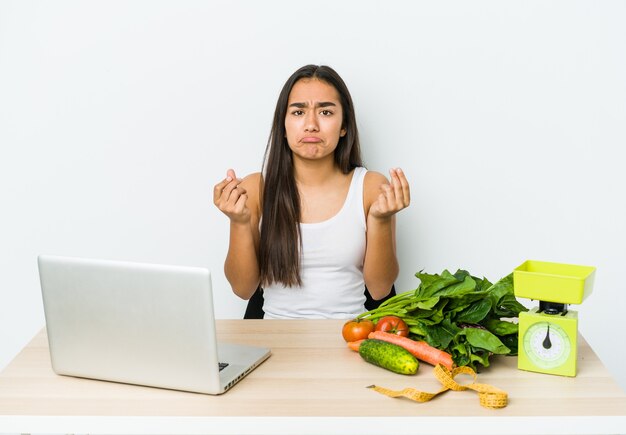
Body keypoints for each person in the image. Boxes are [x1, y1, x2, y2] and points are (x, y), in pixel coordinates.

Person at [213, 64, 410, 319]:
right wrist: (238, 222)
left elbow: (380, 288)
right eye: (298, 112)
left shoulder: (370, 187)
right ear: (282, 126)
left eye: (326, 112)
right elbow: (242, 288)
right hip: (273, 343)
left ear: (344, 126)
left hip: (350, 339)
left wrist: (381, 220)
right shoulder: (255, 189)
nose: (311, 125)